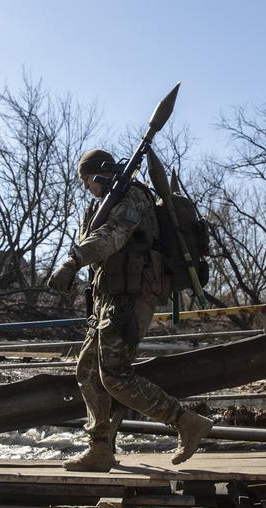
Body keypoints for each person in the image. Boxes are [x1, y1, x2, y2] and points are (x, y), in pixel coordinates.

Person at [47, 149, 214, 472]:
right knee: (87, 371)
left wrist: (73, 260)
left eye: (86, 181)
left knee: (115, 375)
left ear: (97, 175)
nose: (85, 188)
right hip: (108, 298)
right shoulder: (103, 204)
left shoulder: (132, 197)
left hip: (131, 296)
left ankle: (185, 421)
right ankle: (100, 448)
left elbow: (113, 237)